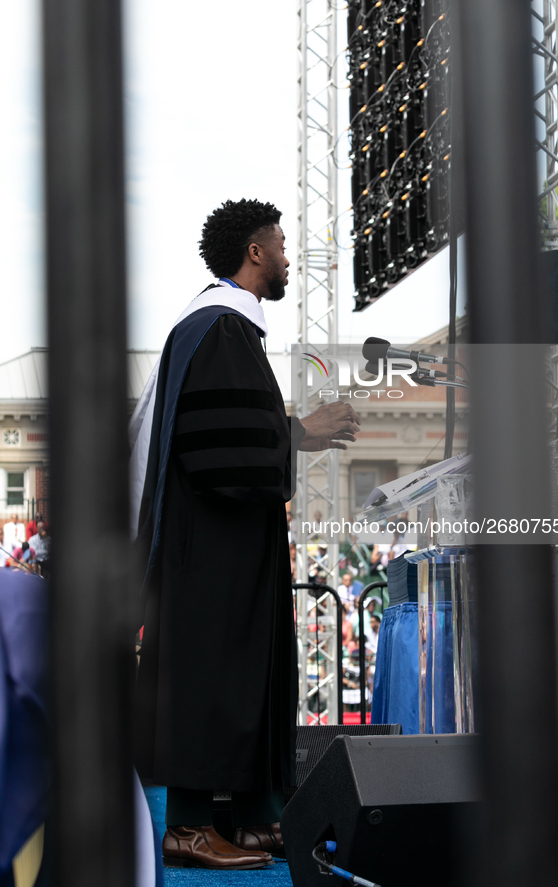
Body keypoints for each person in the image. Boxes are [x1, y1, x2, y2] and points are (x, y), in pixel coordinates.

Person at [131, 198, 360, 870]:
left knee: (249, 670)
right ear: (254, 252)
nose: (288, 258)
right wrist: (299, 433)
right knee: (213, 671)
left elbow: (231, 440)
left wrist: (291, 437)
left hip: (231, 540)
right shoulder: (219, 326)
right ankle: (192, 826)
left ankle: (254, 815)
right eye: (281, 246)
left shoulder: (226, 328)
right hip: (212, 545)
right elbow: (219, 450)